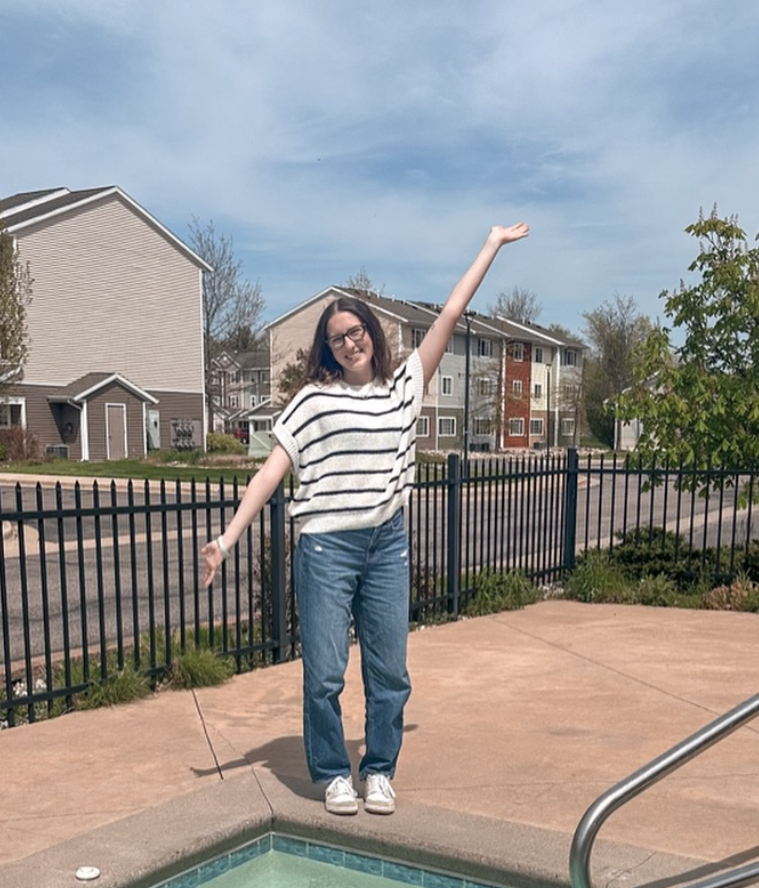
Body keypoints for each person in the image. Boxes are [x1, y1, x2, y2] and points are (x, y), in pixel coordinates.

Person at [202, 223, 529, 815]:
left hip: (387, 545)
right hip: (325, 550)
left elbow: (452, 312)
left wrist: (490, 245)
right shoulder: (310, 402)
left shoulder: (405, 387)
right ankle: (332, 773)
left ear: (372, 335)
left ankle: (378, 769)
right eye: (336, 339)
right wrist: (228, 537)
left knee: (390, 673)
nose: (350, 343)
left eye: (355, 332)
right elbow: (272, 472)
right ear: (326, 350)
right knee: (325, 673)